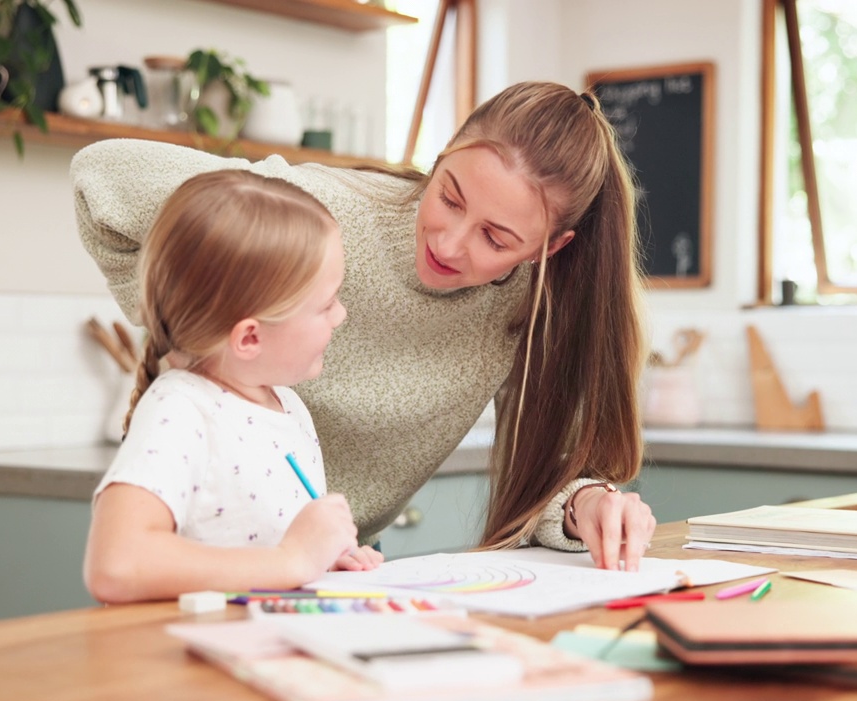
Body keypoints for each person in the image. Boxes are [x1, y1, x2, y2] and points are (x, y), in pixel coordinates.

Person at [73, 80, 657, 572]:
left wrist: (587, 500)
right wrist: (206, 335)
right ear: (444, 152)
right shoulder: (321, 219)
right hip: (207, 566)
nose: (449, 243)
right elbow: (102, 176)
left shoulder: (535, 308)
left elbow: (547, 473)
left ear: (548, 248)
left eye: (495, 238)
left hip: (329, 565)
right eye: (450, 198)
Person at [82, 170, 382, 604]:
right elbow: (116, 564)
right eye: (327, 303)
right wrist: (292, 560)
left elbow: (260, 548)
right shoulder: (181, 411)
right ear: (249, 338)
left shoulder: (288, 407)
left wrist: (325, 558)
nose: (341, 316)